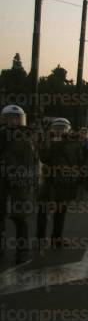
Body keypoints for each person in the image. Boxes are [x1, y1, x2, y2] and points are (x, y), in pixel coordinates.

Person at [36, 118, 85, 248]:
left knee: (61, 211)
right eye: (57, 128)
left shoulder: (74, 144)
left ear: (68, 130)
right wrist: (47, 142)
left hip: (65, 183)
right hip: (49, 182)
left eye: (62, 128)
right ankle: (40, 240)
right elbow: (43, 157)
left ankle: (57, 238)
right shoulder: (49, 142)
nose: (59, 131)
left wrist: (79, 180)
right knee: (43, 211)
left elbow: (80, 161)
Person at [0, 105, 37, 263]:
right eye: (9, 118)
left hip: (19, 183)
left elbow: (31, 162)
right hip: (3, 182)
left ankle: (22, 253)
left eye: (15, 118)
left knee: (20, 218)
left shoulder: (26, 139)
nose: (12, 121)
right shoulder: (1, 136)